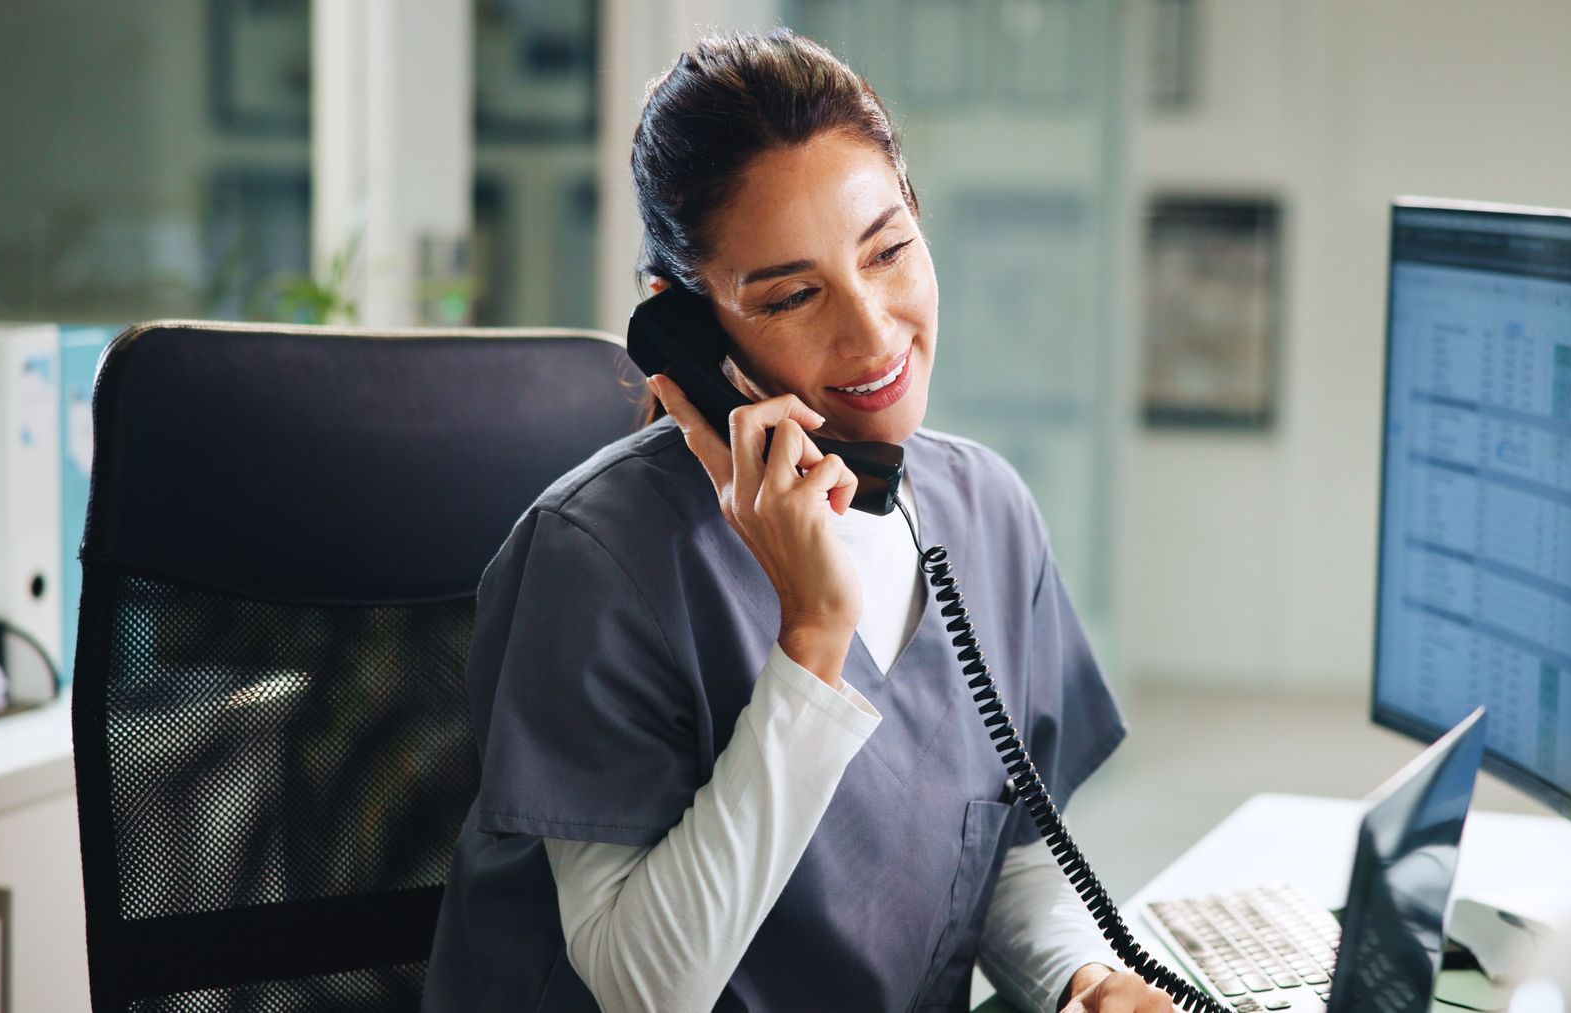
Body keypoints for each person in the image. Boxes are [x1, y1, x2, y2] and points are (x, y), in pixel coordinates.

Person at [424, 28, 1170, 1012]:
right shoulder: (600, 555)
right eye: (793, 294)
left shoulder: (986, 514)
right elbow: (647, 988)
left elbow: (1007, 849)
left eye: (890, 250)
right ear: (686, 327)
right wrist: (812, 640)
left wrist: (1082, 976)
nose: (871, 330)